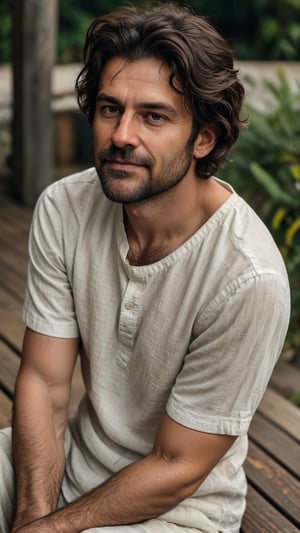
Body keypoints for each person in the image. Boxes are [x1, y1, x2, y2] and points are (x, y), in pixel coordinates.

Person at [0, 3, 290, 532]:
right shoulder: (64, 207)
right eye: (110, 109)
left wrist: (54, 528)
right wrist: (33, 513)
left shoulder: (249, 278)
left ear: (204, 138)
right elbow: (44, 382)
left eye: (153, 116)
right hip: (70, 460)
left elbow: (178, 467)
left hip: (178, 511)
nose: (121, 135)